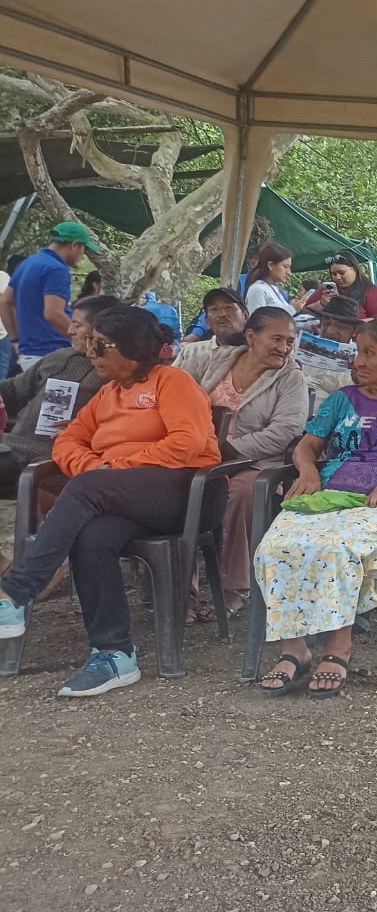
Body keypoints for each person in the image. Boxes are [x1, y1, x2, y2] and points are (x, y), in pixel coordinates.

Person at [0, 307, 220, 696]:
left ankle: (17, 591)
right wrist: (93, 467)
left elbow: (186, 444)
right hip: (124, 494)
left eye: (101, 345)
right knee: (92, 537)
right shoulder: (108, 393)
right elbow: (68, 439)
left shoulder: (173, 383)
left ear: (131, 348)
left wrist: (112, 469)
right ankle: (115, 653)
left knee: (87, 488)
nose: (90, 353)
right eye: (90, 343)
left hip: (186, 492)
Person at [251, 318, 377, 699]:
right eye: (357, 351)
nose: (357, 361)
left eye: (368, 353)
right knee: (275, 545)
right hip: (329, 495)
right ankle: (294, 648)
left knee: (337, 548)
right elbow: (307, 445)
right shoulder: (343, 399)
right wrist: (308, 471)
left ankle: (338, 646)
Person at [177, 305, 309, 619]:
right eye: (276, 339)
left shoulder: (291, 377)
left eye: (289, 341)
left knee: (240, 493)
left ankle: (235, 587)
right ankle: (183, 590)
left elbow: (286, 431)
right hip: (201, 455)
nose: (284, 348)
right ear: (251, 337)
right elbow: (177, 391)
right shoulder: (215, 360)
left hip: (255, 462)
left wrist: (229, 452)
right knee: (175, 489)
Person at [0, 294, 118, 502]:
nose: (69, 330)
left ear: (100, 329)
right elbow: (13, 390)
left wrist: (88, 428)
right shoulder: (61, 357)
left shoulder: (118, 370)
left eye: (77, 325)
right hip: (11, 446)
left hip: (51, 458)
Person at [0, 221, 99, 370]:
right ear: (75, 245)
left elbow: (5, 301)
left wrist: (15, 340)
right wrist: (83, 341)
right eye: (83, 249)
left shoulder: (28, 263)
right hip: (51, 352)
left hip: (29, 353)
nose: (82, 255)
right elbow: (53, 313)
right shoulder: (56, 268)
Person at [301, 294, 364, 410]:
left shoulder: (362, 359)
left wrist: (358, 377)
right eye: (326, 324)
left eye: (340, 327)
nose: (330, 331)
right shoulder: (299, 346)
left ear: (354, 331)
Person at [302, 250, 377, 320]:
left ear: (355, 269)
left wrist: (353, 326)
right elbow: (302, 313)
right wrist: (321, 304)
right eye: (334, 274)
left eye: (341, 273)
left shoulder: (372, 292)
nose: (338, 277)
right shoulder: (326, 291)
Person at [179, 288, 249, 369]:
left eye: (228, 307)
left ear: (245, 316)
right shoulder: (190, 353)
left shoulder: (257, 354)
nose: (222, 314)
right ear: (207, 322)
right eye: (214, 309)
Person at [243, 242, 308, 315]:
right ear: (270, 265)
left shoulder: (275, 289)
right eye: (285, 267)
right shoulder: (258, 289)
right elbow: (257, 320)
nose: (289, 272)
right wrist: (292, 309)